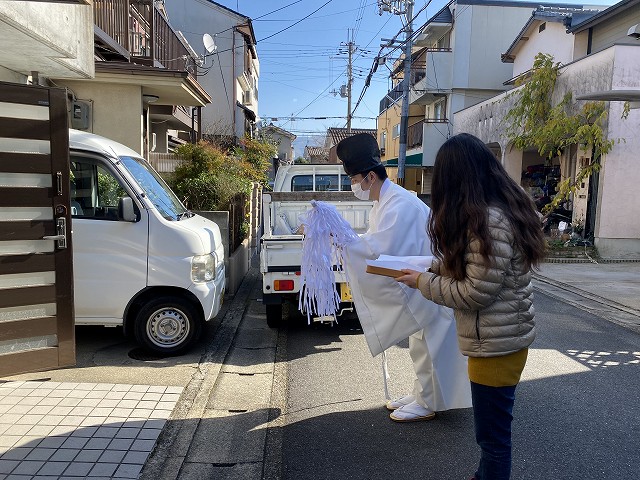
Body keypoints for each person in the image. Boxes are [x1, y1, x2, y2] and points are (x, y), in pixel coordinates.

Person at [395, 133, 546, 479]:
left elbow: (475, 292)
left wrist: (422, 282)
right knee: (492, 436)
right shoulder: (498, 210)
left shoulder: (488, 222)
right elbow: (472, 267)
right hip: (502, 339)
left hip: (495, 345)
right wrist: (428, 270)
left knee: (493, 440)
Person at [336, 133, 471, 422]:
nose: (353, 185)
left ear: (370, 176)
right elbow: (376, 245)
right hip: (424, 283)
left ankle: (429, 402)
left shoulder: (399, 205)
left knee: (433, 346)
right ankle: (423, 394)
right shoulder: (386, 202)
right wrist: (350, 243)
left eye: (354, 179)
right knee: (422, 345)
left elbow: (379, 250)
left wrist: (343, 241)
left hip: (432, 282)